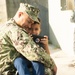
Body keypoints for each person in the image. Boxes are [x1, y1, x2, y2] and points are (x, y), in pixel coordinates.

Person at [0, 3, 57, 75]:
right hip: (8, 70)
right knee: (47, 70)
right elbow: (33, 51)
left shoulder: (5, 25)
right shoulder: (15, 30)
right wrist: (52, 64)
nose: (29, 25)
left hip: (6, 66)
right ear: (20, 14)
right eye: (29, 21)